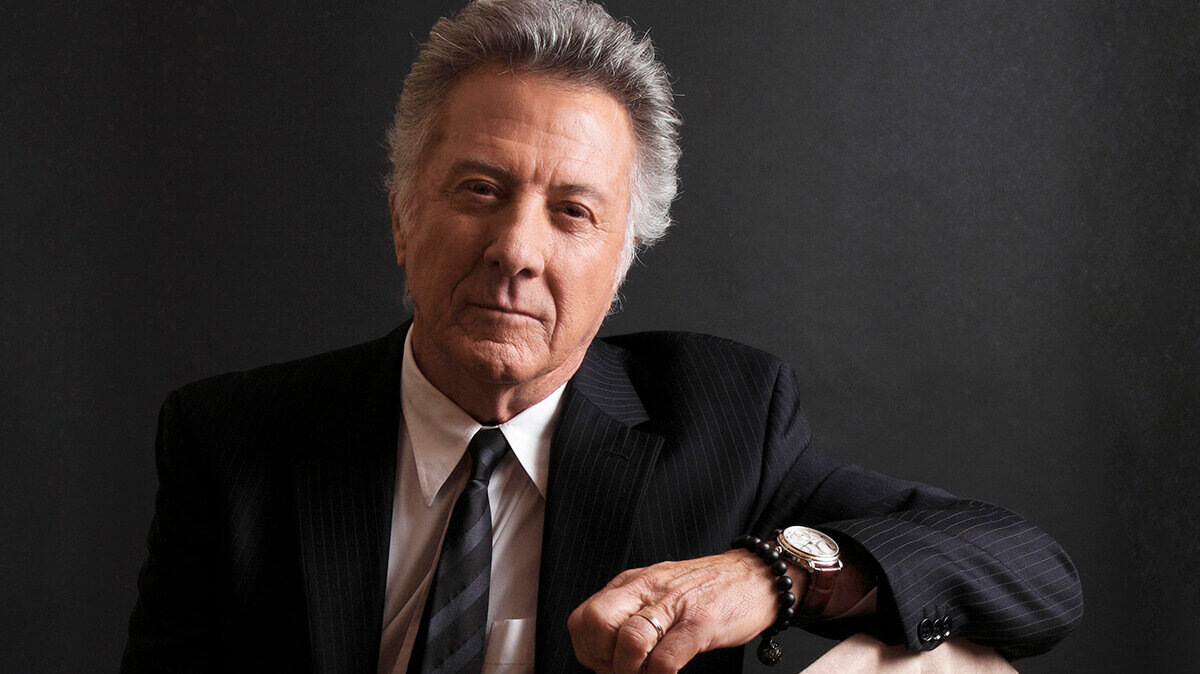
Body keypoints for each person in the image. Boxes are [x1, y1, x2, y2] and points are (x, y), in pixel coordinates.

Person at [121, 1, 1083, 672]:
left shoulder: (719, 422)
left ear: (623, 259)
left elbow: (1032, 572)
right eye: (479, 190)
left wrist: (775, 571)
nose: (515, 251)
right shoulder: (234, 441)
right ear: (401, 216)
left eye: (573, 212)